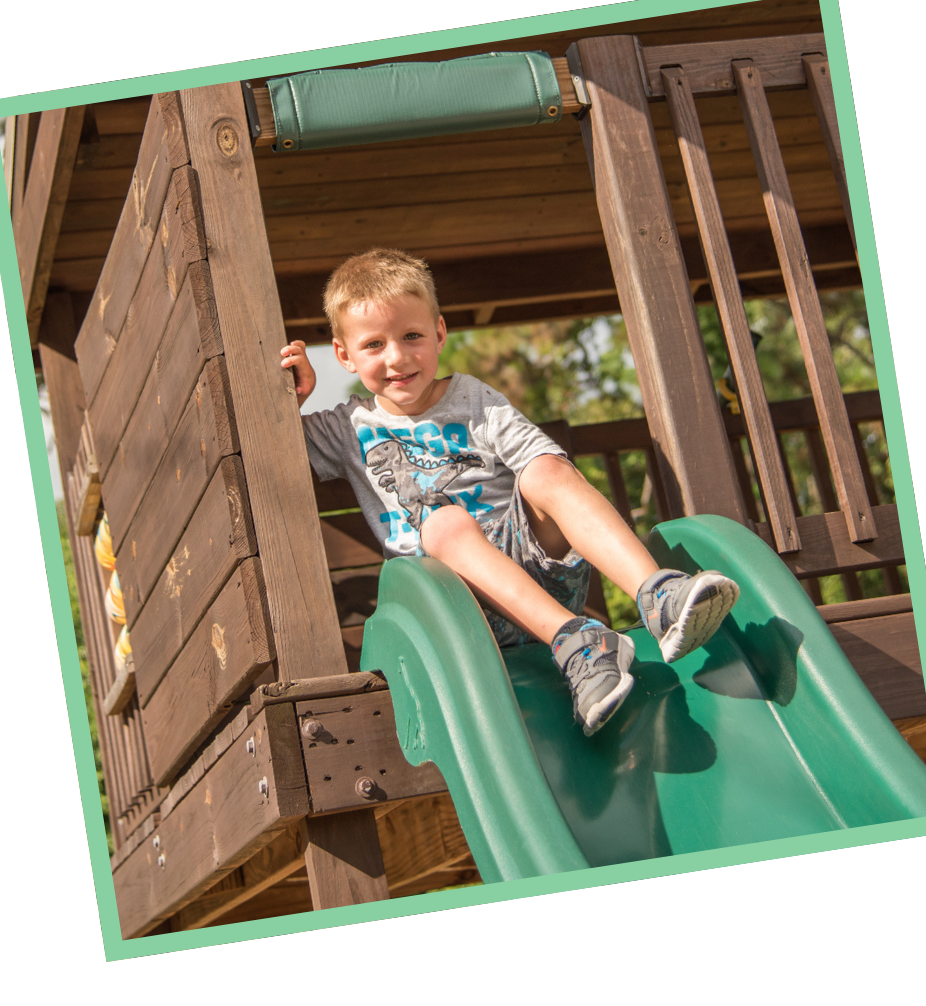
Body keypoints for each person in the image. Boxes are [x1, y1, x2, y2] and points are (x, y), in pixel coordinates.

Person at [280, 249, 739, 736]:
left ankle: (658, 596)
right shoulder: (347, 427)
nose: (397, 357)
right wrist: (294, 400)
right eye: (374, 344)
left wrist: (543, 479)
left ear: (439, 333)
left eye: (411, 335)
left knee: (545, 471)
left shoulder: (472, 399)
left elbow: (541, 463)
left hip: (540, 571)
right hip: (458, 608)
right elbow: (267, 449)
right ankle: (577, 642)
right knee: (443, 522)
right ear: (344, 355)